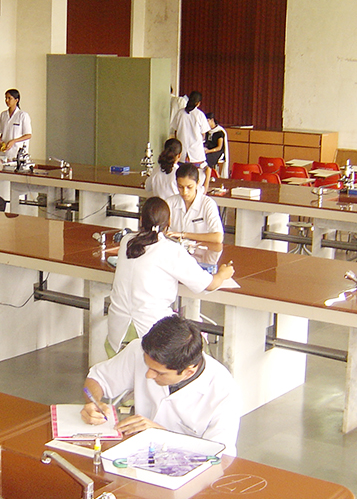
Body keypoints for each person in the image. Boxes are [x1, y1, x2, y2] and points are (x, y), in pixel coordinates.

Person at [82, 315, 242, 456]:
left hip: (186, 470)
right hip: (140, 454)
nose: (148, 375)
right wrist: (93, 403)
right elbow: (97, 379)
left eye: (159, 373)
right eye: (147, 366)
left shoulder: (223, 392)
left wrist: (162, 435)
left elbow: (220, 457)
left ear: (188, 372)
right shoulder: (140, 351)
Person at [107, 197, 233, 355]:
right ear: (169, 222)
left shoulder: (126, 241)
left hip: (117, 332)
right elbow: (208, 284)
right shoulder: (171, 250)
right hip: (152, 334)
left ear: (140, 219)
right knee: (197, 347)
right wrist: (223, 273)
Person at [166, 163, 224, 243]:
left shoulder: (208, 204)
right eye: (180, 187)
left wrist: (183, 235)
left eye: (189, 187)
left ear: (197, 183)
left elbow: (218, 237)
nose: (185, 192)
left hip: (201, 252)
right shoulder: (169, 203)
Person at [170, 91, 210, 169]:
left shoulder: (180, 113)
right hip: (196, 152)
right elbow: (203, 134)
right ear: (198, 103)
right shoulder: (200, 115)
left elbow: (175, 131)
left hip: (181, 152)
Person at [0, 88, 33, 160]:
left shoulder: (23, 115)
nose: (7, 100)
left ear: (16, 100)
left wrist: (14, 141)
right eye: (6, 98)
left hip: (17, 152)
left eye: (9, 98)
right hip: (4, 153)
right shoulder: (3, 114)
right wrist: (0, 141)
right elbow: (3, 132)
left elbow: (28, 135)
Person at [203, 112, 229, 179]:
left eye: (207, 121)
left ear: (212, 120)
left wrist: (209, 151)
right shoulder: (207, 131)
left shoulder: (219, 132)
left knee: (207, 158)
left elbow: (219, 147)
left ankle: (210, 175)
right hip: (208, 150)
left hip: (217, 151)